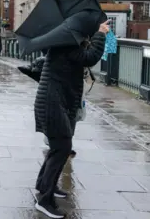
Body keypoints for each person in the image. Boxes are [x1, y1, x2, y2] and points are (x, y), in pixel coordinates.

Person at [34, 19, 110, 218]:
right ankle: (45, 200)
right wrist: (100, 34)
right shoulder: (67, 43)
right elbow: (90, 57)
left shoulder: (65, 40)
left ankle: (44, 186)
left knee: (58, 147)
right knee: (62, 148)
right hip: (53, 103)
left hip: (55, 101)